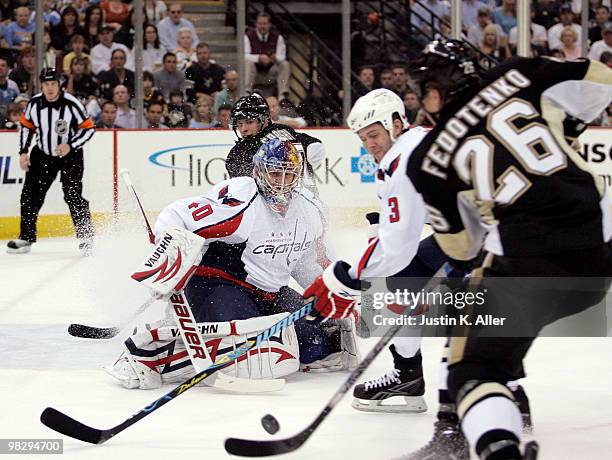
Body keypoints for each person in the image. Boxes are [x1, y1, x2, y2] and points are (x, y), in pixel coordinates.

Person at [402, 38, 612, 460]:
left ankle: (500, 448)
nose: (422, 100)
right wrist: (563, 125)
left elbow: (461, 250)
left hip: (528, 263)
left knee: (474, 370)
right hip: (601, 238)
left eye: (425, 89)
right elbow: (602, 79)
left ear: (440, 85)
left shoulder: (424, 159)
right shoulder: (519, 73)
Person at [105, 139, 358, 389]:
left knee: (316, 343)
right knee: (255, 355)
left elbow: (310, 263)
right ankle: (148, 352)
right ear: (259, 172)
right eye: (274, 173)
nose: (281, 183)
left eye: (288, 174)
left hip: (271, 293)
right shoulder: (242, 202)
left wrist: (338, 292)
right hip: (218, 287)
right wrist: (170, 251)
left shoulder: (309, 211)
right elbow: (177, 214)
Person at [305, 88, 442, 414]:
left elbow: (397, 248)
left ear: (396, 124)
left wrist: (346, 279)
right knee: (401, 279)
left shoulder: (403, 162)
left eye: (375, 134)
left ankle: (504, 396)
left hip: (499, 241)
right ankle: (408, 375)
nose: (370, 145)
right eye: (363, 138)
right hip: (473, 232)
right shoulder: (416, 141)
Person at [7, 68, 95, 255]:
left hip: (70, 155)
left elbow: (88, 129)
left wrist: (70, 145)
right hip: (43, 154)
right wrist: (23, 152)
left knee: (72, 194)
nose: (50, 88)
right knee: (30, 195)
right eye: (46, 84)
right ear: (42, 85)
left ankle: (86, 236)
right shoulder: (34, 103)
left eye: (53, 84)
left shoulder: (72, 104)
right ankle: (26, 237)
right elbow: (25, 126)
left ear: (59, 84)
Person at [225, 94, 325, 192]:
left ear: (264, 120)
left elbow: (315, 147)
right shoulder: (236, 153)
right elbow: (316, 147)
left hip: (290, 200)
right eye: (239, 123)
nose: (243, 129)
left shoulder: (279, 132)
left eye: (249, 122)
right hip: (295, 199)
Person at [244, 12, 291, 99]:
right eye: (260, 24)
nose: (262, 26)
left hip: (271, 72)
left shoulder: (277, 37)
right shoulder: (248, 36)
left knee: (285, 64)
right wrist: (258, 58)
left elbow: (282, 56)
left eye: (265, 24)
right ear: (256, 24)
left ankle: (282, 96)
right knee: (247, 62)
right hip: (255, 72)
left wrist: (274, 58)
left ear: (269, 25)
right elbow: (244, 55)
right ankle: (246, 92)